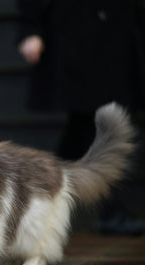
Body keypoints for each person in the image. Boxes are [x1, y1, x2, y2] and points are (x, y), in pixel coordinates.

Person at [17, 0, 145, 235]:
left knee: (83, 128)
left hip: (118, 36)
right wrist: (31, 30)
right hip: (76, 38)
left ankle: (40, 202)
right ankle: (110, 211)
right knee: (90, 122)